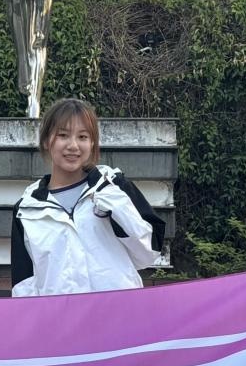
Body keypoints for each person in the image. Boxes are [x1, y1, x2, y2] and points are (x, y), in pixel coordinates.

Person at [11, 97, 165, 296]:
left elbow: (148, 254)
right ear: (47, 140)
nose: (73, 145)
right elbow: (24, 286)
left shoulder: (113, 186)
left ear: (92, 143)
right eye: (63, 135)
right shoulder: (26, 209)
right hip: (61, 315)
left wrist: (118, 209)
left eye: (82, 137)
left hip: (119, 312)